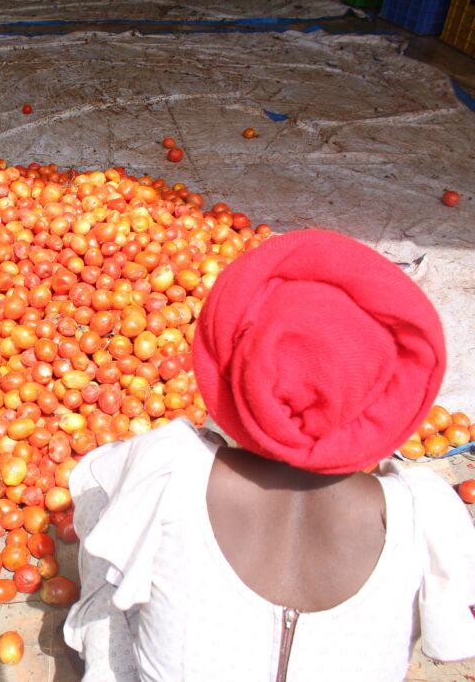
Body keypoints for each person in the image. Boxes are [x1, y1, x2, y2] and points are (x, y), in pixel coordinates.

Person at [63, 229, 475, 681]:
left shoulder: (171, 467)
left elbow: (91, 480)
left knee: (108, 504)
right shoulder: (420, 511)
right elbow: (446, 632)